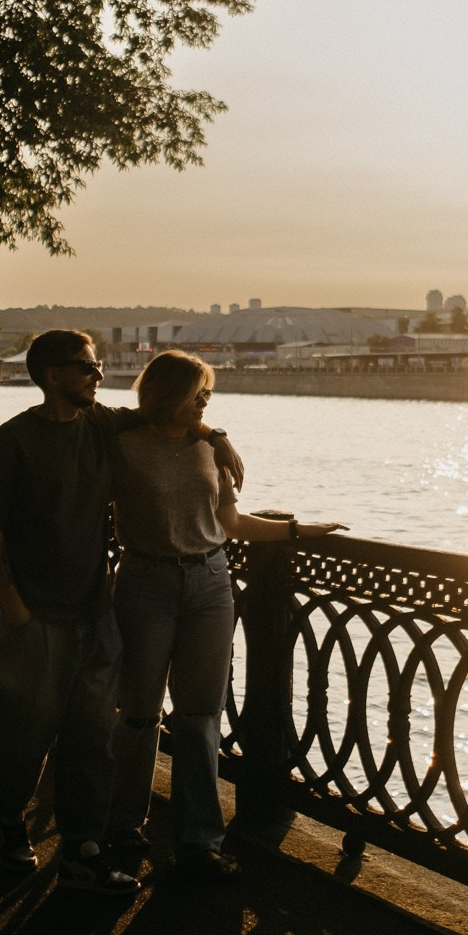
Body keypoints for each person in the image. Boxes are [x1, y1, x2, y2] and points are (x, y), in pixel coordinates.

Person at [0, 329, 240, 895]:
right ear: (53, 376)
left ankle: (83, 850)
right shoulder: (13, 440)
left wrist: (216, 434)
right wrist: (11, 603)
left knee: (91, 736)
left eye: (97, 369)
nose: (99, 376)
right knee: (27, 731)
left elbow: (168, 412)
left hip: (96, 610)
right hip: (35, 614)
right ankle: (12, 821)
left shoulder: (102, 424)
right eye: (87, 369)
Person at [105, 351, 343, 882]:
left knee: (200, 717)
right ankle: (122, 823)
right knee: (140, 712)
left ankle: (200, 842)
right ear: (170, 395)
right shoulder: (123, 444)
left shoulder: (208, 450)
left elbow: (230, 521)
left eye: (209, 395)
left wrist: (297, 530)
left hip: (210, 583)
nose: (206, 403)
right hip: (146, 580)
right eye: (198, 394)